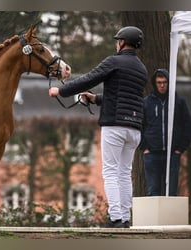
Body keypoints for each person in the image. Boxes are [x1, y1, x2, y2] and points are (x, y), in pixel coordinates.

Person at [49, 26, 147, 228]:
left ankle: (115, 218)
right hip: (135, 127)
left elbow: (89, 78)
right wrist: (95, 99)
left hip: (115, 125)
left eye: (117, 40)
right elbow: (125, 96)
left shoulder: (114, 61)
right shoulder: (141, 68)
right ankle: (125, 219)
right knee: (124, 172)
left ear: (122, 42)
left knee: (110, 172)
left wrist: (61, 90)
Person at [140, 68, 191, 196]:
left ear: (169, 83)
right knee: (153, 191)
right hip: (151, 154)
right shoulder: (146, 103)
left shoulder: (179, 102)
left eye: (164, 82)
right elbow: (139, 126)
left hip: (172, 154)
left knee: (171, 192)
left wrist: (180, 148)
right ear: (155, 83)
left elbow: (187, 125)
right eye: (159, 82)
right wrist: (144, 147)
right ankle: (153, 217)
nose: (162, 85)